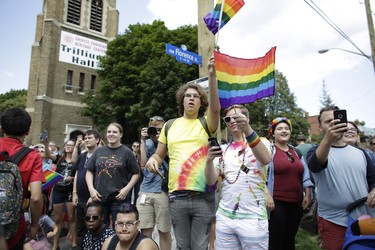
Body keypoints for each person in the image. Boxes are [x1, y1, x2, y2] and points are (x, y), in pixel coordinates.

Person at [146, 56, 220, 249]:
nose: (192, 99)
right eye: (188, 95)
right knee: (181, 246)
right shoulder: (170, 125)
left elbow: (216, 109)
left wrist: (212, 77)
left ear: (200, 102)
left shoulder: (206, 123)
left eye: (196, 96)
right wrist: (152, 160)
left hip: (203, 196)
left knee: (200, 246)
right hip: (176, 196)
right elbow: (158, 155)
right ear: (182, 99)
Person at [307, 106, 375, 250]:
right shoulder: (316, 151)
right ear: (320, 128)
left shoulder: (360, 153)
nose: (333, 124)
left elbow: (372, 179)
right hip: (334, 222)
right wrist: (327, 139)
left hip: (363, 219)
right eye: (328, 122)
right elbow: (314, 165)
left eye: (336, 120)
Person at [205, 104, 271, 249]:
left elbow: (266, 159)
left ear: (247, 118)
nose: (232, 121)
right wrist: (209, 160)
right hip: (225, 218)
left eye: (237, 117)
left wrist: (247, 130)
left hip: (253, 219)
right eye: (228, 119)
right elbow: (211, 180)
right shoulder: (223, 149)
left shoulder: (262, 142)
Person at [0, 107, 45, 249]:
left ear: (1, 128)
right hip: (13, 227)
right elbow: (36, 198)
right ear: (28, 130)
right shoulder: (33, 156)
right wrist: (34, 225)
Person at [266, 117, 314, 250]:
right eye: (280, 128)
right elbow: (260, 174)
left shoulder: (296, 152)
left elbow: (305, 174)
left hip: (296, 204)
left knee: (290, 240)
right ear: (273, 132)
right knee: (276, 241)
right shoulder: (269, 151)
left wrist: (308, 193)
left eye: (286, 128)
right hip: (276, 203)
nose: (284, 131)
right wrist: (267, 195)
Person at [86, 122, 140, 228]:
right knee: (100, 228)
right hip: (100, 197)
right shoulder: (99, 151)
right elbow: (89, 171)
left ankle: (117, 245)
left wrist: (127, 189)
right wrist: (91, 189)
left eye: (114, 132)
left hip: (119, 198)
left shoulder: (127, 152)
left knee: (119, 228)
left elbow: (136, 173)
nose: (111, 134)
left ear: (121, 135)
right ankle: (104, 245)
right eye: (109, 131)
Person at [137, 116, 172, 250]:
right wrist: (142, 140)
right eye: (154, 130)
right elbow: (143, 164)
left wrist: (162, 142)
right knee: (145, 230)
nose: (157, 133)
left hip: (162, 191)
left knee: (164, 230)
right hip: (146, 189)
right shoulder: (147, 143)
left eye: (160, 130)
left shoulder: (169, 143)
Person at [43, 139, 78, 249]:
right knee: (58, 219)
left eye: (71, 145)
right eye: (67, 144)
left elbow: (76, 168)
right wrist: (46, 144)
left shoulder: (76, 159)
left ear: (74, 147)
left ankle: (74, 244)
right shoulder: (59, 158)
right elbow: (49, 155)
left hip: (69, 190)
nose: (68, 146)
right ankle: (55, 245)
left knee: (71, 217)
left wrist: (72, 178)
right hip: (58, 190)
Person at [72, 129, 101, 246]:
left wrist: (93, 195)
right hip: (80, 198)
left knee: (94, 228)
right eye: (85, 138)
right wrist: (74, 193)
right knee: (81, 229)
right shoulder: (83, 155)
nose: (87, 140)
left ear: (97, 140)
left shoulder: (101, 156)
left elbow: (102, 177)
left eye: (90, 138)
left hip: (93, 199)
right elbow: (77, 173)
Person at [130, 141, 142, 206]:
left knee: (137, 193)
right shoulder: (129, 155)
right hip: (130, 177)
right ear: (132, 147)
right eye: (134, 146)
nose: (136, 148)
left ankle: (135, 207)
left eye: (137, 146)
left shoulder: (140, 156)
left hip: (138, 177)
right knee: (129, 193)